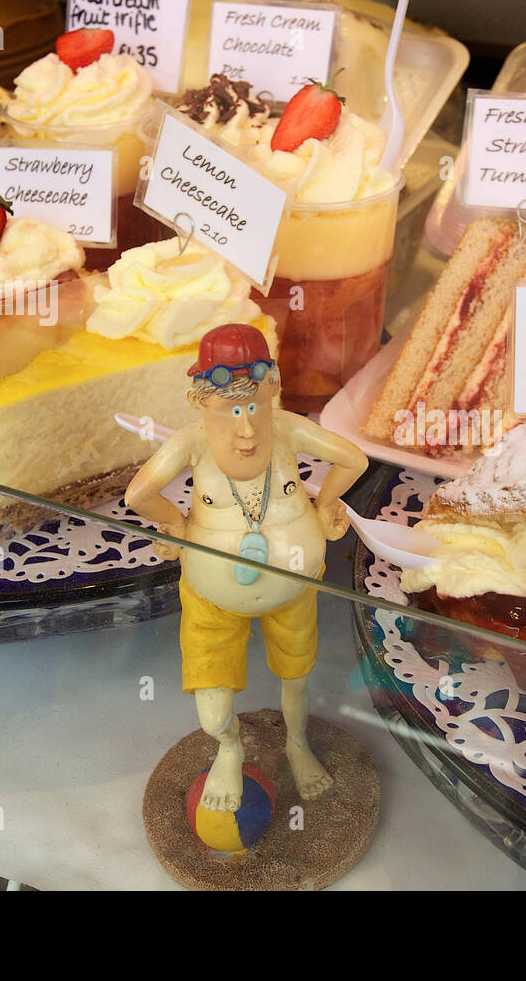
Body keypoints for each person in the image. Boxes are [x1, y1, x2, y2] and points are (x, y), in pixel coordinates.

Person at [125, 323, 367, 813]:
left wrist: (324, 506)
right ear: (200, 403)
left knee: (296, 677)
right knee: (213, 711)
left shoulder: (289, 431)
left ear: (272, 390)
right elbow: (139, 494)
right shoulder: (191, 444)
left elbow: (354, 459)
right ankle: (228, 746)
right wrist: (174, 524)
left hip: (294, 588)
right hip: (212, 598)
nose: (246, 429)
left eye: (254, 406)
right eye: (230, 411)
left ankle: (296, 743)